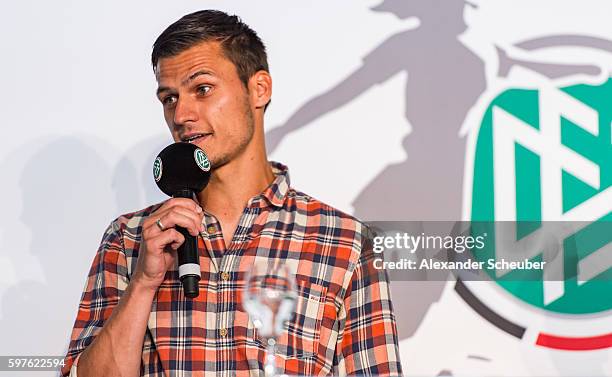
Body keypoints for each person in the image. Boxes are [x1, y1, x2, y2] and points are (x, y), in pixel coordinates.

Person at [61, 9, 402, 377]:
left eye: (202, 89)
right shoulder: (129, 238)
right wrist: (144, 283)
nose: (182, 115)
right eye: (169, 98)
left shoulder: (345, 242)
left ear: (259, 89)